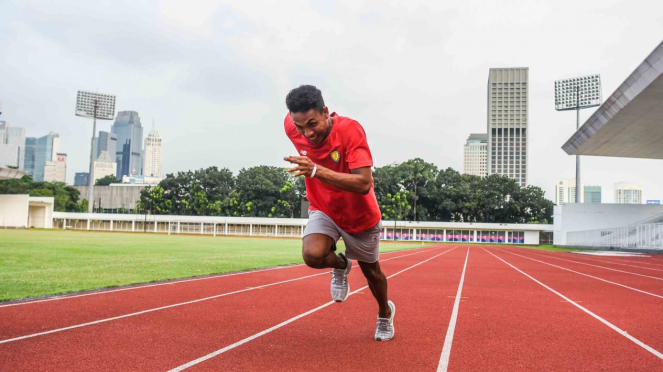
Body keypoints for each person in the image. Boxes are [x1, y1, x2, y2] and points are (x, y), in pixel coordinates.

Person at [283, 85, 395, 341]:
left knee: (372, 273)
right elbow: (300, 129)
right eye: (300, 127)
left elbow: (364, 183)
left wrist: (315, 171)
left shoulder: (349, 130)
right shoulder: (291, 125)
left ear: (325, 112)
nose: (307, 133)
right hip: (324, 208)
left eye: (312, 123)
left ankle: (384, 313)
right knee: (312, 255)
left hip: (360, 216)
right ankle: (342, 264)